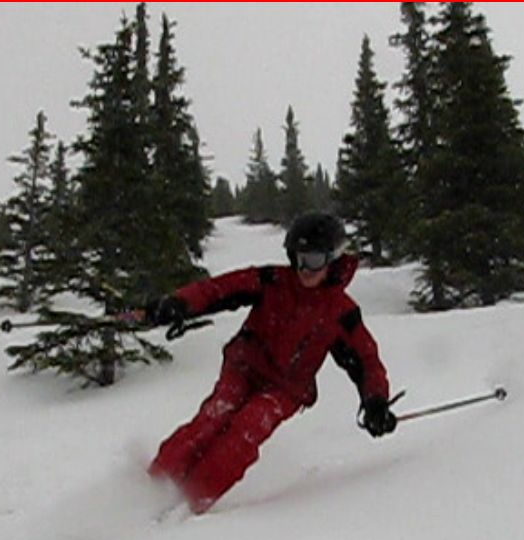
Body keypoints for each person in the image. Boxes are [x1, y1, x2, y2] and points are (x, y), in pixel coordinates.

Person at [143, 212, 397, 514]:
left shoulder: (340, 312)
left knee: (246, 430)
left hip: (286, 388)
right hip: (244, 367)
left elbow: (366, 360)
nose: (304, 269)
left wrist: (375, 401)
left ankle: (188, 502)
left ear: (333, 260)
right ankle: (150, 490)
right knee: (213, 417)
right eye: (298, 258)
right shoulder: (272, 281)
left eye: (313, 260)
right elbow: (220, 289)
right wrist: (181, 302)